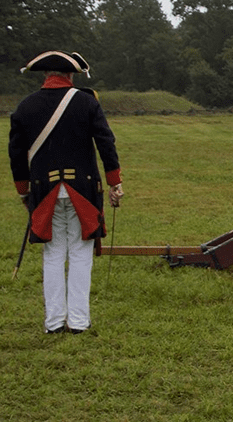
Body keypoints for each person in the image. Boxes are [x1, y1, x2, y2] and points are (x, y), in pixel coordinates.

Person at [8, 51, 124, 334]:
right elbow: (105, 142)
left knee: (53, 254)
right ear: (70, 75)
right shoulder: (86, 102)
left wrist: (24, 193)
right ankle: (79, 322)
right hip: (82, 190)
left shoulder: (25, 106)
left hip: (44, 191)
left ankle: (54, 322)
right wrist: (114, 181)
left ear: (46, 76)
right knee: (81, 254)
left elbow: (16, 155)